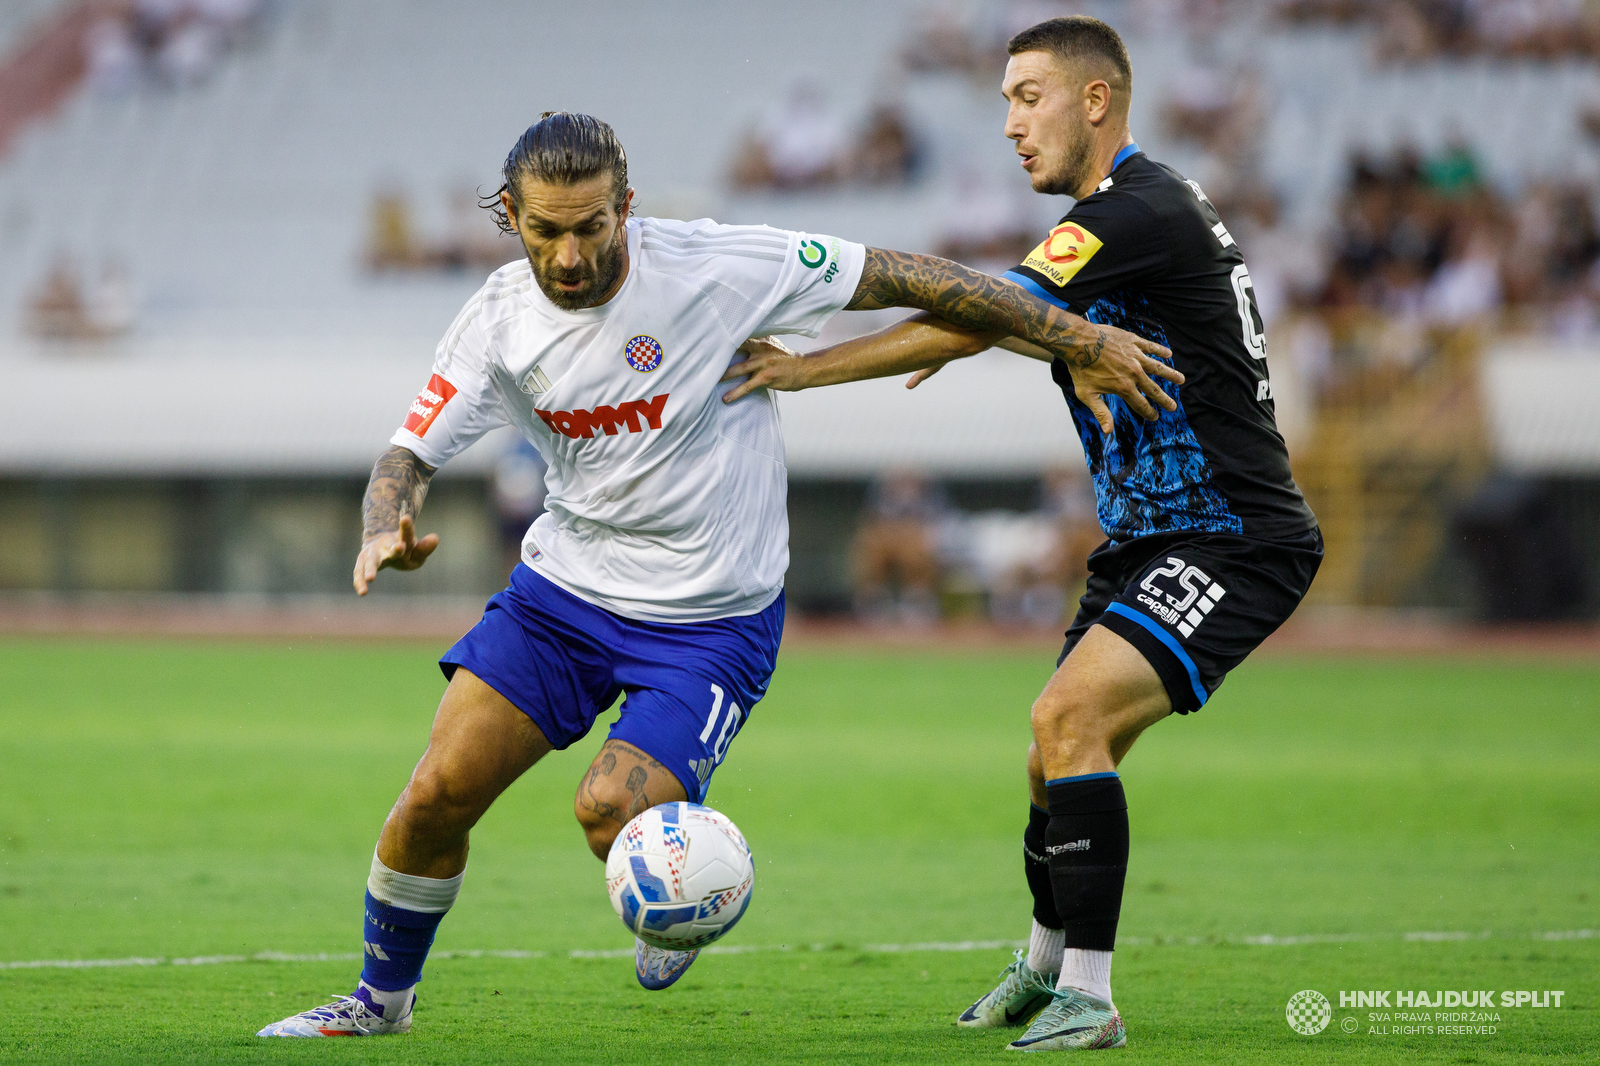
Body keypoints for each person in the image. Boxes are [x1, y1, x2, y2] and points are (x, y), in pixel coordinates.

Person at [256, 110, 1173, 1039]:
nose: (569, 256)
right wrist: (385, 526)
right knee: (433, 795)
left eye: (590, 227)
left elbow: (916, 277)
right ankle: (379, 1006)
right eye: (545, 231)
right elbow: (406, 455)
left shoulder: (720, 267)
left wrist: (1075, 338)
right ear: (507, 215)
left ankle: (684, 887)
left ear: (626, 208)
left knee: (607, 812)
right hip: (561, 598)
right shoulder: (497, 318)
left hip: (711, 620)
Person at [724, 17, 1322, 1051]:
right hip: (1151, 536)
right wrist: (1063, 349)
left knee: (1065, 720)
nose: (1009, 123)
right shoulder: (1137, 215)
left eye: (1027, 96)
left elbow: (983, 307)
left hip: (1233, 535)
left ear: (1096, 100)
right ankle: (1044, 971)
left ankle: (1090, 997)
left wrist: (799, 368)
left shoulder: (1132, 208)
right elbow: (1028, 318)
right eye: (1004, 99)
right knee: (1054, 758)